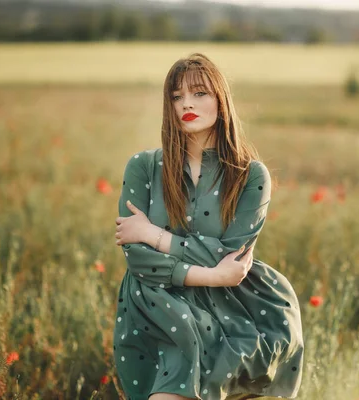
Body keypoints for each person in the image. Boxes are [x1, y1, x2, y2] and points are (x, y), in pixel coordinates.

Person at [113, 53, 304, 400]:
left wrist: (155, 236)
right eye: (176, 96)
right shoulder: (143, 167)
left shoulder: (250, 175)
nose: (186, 103)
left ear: (221, 99)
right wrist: (213, 274)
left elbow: (232, 257)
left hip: (235, 306)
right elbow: (138, 258)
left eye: (199, 93)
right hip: (159, 306)